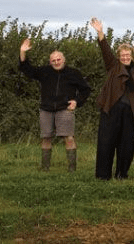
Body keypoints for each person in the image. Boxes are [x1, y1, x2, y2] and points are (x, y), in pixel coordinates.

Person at [18, 38, 92, 172]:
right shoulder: (45, 71)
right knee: (46, 138)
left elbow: (85, 90)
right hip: (46, 109)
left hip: (65, 109)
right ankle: (45, 169)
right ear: (50, 62)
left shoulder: (73, 73)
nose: (56, 62)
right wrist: (22, 52)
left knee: (68, 138)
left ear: (63, 60)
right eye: (53, 60)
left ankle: (72, 170)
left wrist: (76, 101)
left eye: (58, 59)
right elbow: (27, 69)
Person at [90, 17, 134, 181]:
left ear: (132, 56)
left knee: (127, 145)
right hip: (112, 110)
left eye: (127, 55)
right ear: (118, 56)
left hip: (131, 113)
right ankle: (103, 176)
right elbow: (105, 51)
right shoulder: (113, 66)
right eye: (122, 55)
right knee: (106, 143)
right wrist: (100, 32)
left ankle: (122, 174)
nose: (125, 58)